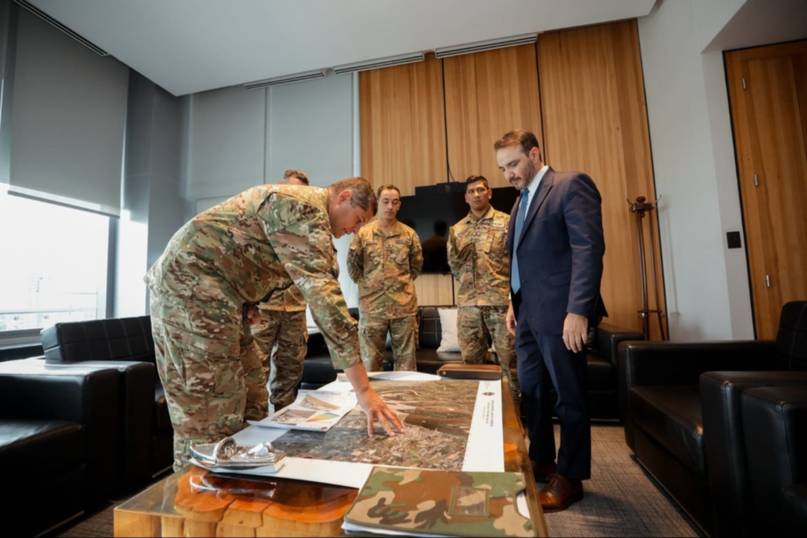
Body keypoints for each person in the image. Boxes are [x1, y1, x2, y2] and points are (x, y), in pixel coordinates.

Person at [146, 177, 403, 471]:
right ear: (343, 197)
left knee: (253, 393)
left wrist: (249, 302)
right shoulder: (302, 208)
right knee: (211, 409)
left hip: (222, 296)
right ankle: (197, 499)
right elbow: (325, 300)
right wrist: (364, 391)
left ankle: (238, 481)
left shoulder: (311, 217)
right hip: (191, 291)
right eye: (357, 220)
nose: (354, 231)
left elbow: (246, 250)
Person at [496, 129, 606, 511]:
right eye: (503, 168)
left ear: (535, 153)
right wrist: (515, 303)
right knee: (533, 392)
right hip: (527, 313)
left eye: (513, 164)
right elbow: (523, 259)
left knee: (568, 394)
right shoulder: (520, 201)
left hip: (562, 315)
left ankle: (571, 476)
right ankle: (541, 460)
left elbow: (588, 250)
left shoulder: (570, 185)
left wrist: (579, 310)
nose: (508, 174)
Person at [447, 175, 519, 396]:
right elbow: (454, 266)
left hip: (500, 306)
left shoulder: (507, 222)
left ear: (489, 192)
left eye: (480, 190)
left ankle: (514, 419)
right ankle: (478, 417)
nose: (476, 194)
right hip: (469, 306)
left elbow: (519, 262)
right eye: (471, 191)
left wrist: (512, 301)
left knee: (510, 363)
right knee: (471, 365)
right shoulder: (457, 229)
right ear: (466, 197)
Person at [249, 169, 311, 414]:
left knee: (290, 372)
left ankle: (286, 426)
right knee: (254, 371)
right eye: (291, 190)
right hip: (263, 309)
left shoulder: (308, 228)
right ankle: (253, 429)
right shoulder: (260, 222)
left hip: (295, 309)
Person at [347, 184, 423, 372]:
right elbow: (353, 268)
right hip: (372, 308)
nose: (390, 206)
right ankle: (372, 401)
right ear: (377, 202)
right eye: (385, 201)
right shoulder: (363, 234)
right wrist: (370, 286)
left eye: (394, 202)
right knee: (370, 363)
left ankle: (404, 401)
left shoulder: (409, 235)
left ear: (399, 205)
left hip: (403, 308)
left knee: (406, 365)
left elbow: (416, 267)